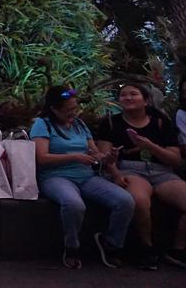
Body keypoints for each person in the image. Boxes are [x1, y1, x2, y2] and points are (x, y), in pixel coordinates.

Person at [30, 86, 133, 269]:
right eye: (68, 110)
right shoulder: (43, 124)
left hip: (86, 176)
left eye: (74, 108)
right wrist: (75, 156)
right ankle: (71, 246)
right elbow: (42, 158)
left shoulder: (80, 125)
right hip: (55, 176)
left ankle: (112, 243)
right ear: (54, 109)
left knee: (125, 201)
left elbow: (95, 153)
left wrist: (108, 157)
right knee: (74, 204)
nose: (73, 113)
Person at [96, 82, 186, 270]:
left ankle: (178, 249)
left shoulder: (161, 122)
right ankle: (146, 248)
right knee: (139, 199)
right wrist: (115, 170)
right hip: (130, 169)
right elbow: (104, 158)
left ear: (146, 100)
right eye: (123, 95)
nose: (128, 98)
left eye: (133, 94)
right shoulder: (111, 123)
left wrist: (150, 146)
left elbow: (175, 160)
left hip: (161, 171)